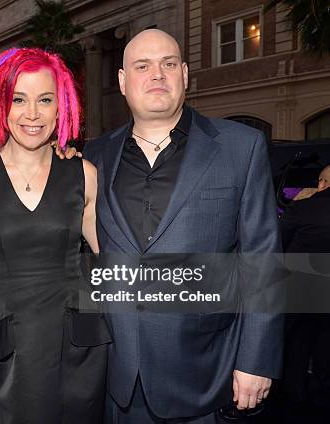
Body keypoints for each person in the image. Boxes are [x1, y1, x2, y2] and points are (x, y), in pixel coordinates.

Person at [83, 29, 282, 423]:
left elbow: (262, 261)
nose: (157, 74)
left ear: (185, 74)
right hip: (118, 378)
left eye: (168, 64)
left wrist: (257, 360)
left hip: (207, 375)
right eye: (142, 66)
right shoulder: (94, 156)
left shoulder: (241, 147)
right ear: (123, 81)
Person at [0, 47, 109, 423]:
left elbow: (111, 260)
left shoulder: (83, 174)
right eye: (18, 99)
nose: (33, 114)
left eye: (45, 99)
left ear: (62, 106)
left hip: (77, 351)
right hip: (5, 356)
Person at [278, 164, 330, 420]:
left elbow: (277, 246)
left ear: (321, 182)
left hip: (301, 290)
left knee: (296, 345)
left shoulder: (301, 209)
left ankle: (295, 398)